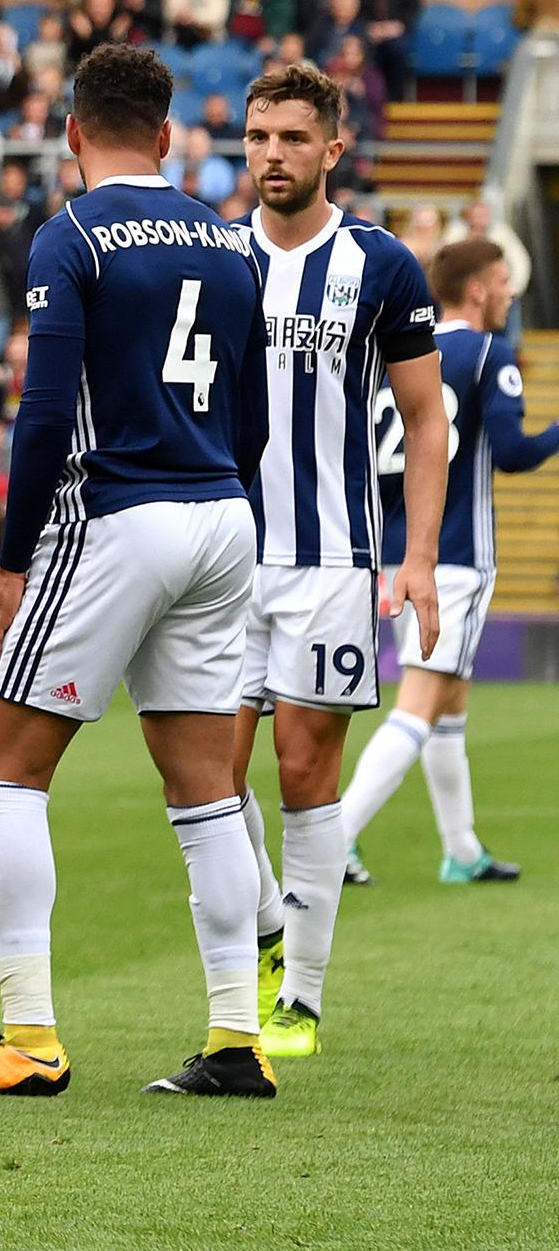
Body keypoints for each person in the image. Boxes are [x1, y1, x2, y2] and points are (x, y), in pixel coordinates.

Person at [0, 43, 277, 1099]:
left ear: (71, 131)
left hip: (113, 512)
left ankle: (27, 1037)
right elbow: (248, 414)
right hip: (221, 517)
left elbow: (39, 412)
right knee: (206, 787)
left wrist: (10, 562)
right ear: (166, 135)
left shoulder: (69, 234)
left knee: (0, 770)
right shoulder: (228, 241)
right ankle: (233, 1040)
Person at [232, 62, 445, 1061]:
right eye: (255, 136)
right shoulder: (213, 256)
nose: (269, 154)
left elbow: (422, 417)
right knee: (205, 772)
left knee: (301, 767)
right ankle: (267, 926)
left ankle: (299, 997)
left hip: (329, 556)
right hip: (220, 557)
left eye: (288, 137)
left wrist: (418, 559)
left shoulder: (380, 264)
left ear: (330, 148)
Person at [342, 240, 556, 883]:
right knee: (421, 702)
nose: (510, 292)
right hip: (453, 555)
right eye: (501, 281)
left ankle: (462, 851)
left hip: (397, 552)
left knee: (450, 700)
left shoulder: (400, 354)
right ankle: (335, 839)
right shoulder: (489, 352)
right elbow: (513, 452)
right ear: (475, 289)